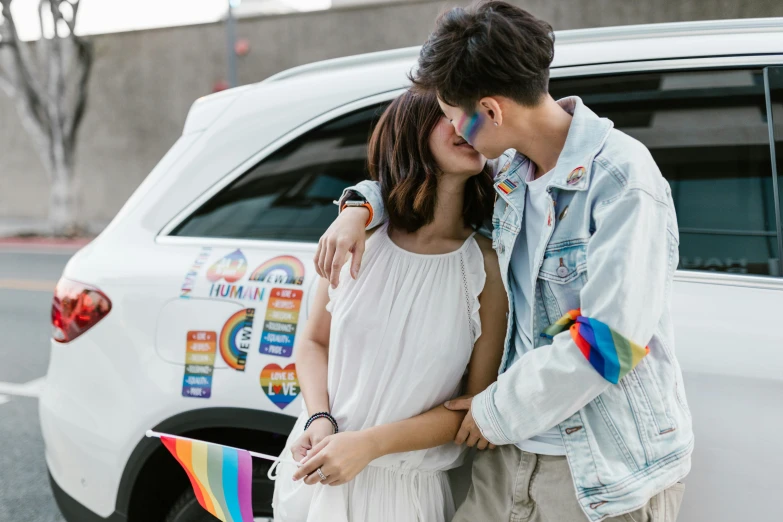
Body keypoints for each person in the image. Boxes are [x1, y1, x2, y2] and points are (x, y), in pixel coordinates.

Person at [316, 2, 694, 521]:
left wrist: (494, 412)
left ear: (491, 111)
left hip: (597, 470)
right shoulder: (510, 166)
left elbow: (610, 344)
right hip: (507, 454)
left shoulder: (623, 181)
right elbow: (417, 173)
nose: (454, 129)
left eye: (454, 115)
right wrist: (357, 209)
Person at [271, 88, 507, 522]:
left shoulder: (483, 267)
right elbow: (313, 342)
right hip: (316, 469)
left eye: (475, 117)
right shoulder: (357, 239)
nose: (467, 125)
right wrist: (319, 419)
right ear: (410, 134)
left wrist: (369, 445)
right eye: (449, 114)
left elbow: (474, 406)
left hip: (403, 494)